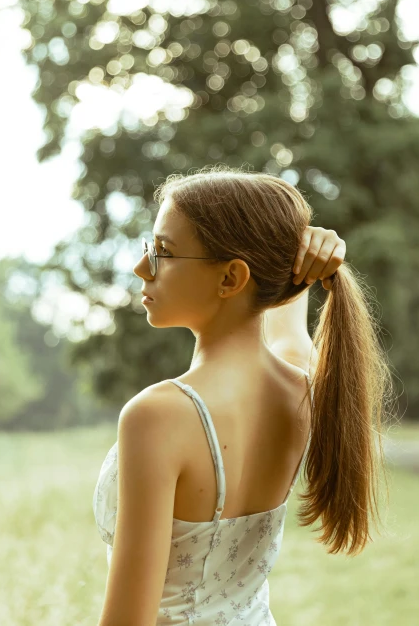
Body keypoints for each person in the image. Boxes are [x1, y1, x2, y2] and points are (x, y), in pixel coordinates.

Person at [93, 165, 395, 626]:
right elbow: (285, 319)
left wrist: (303, 257)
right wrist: (301, 256)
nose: (141, 267)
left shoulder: (158, 415)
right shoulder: (304, 389)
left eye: (163, 251)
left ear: (231, 278)